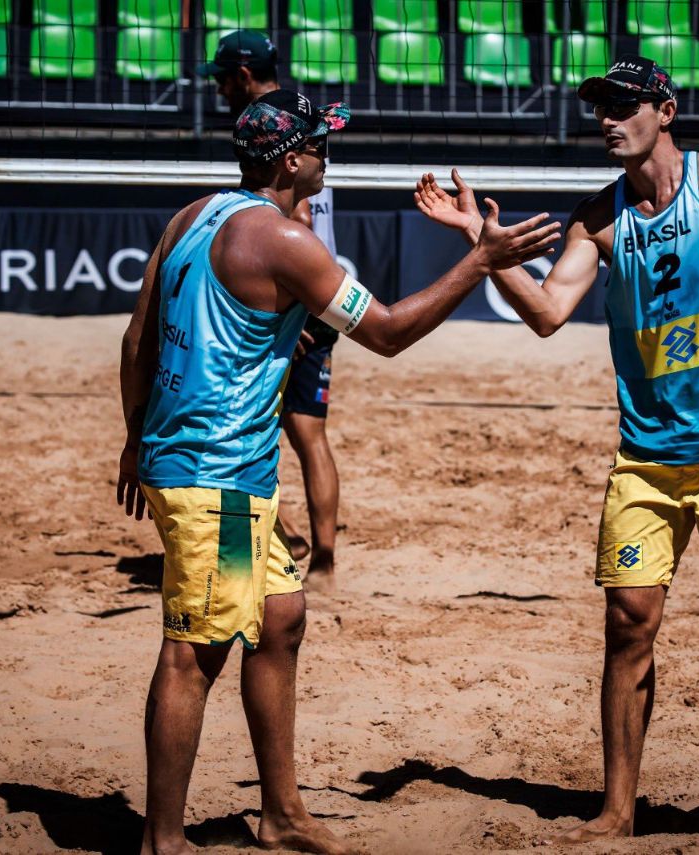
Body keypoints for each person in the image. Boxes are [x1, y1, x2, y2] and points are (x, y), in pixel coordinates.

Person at [116, 90, 560, 855]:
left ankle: (281, 813)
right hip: (214, 478)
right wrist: (480, 260)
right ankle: (163, 838)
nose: (329, 155)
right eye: (322, 144)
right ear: (292, 160)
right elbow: (386, 332)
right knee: (194, 654)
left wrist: (134, 441)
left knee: (281, 619)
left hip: (212, 470)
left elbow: (137, 337)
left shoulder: (192, 216)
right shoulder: (286, 242)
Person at [414, 55, 699, 843]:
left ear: (665, 110)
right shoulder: (598, 217)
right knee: (627, 623)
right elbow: (546, 312)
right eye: (598, 107)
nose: (606, 118)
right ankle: (616, 810)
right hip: (645, 457)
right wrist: (483, 242)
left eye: (623, 105)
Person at [199, 29, 342, 586]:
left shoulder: (271, 126)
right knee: (307, 434)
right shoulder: (304, 121)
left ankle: (268, 545)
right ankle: (317, 556)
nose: (217, 89)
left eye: (221, 78)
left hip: (293, 295)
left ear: (242, 74)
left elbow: (297, 222)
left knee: (241, 425)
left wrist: (295, 316)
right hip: (313, 290)